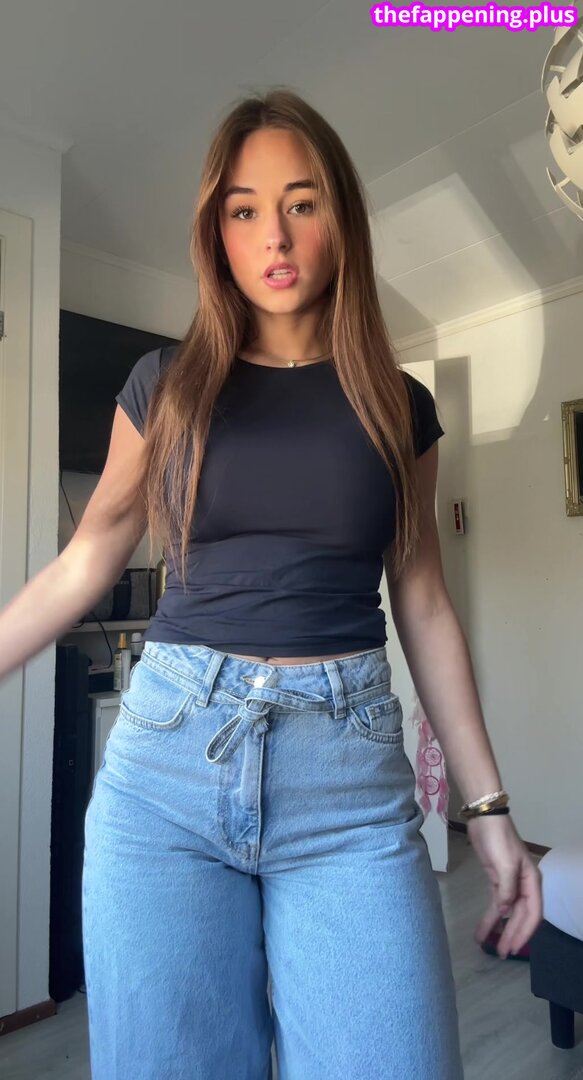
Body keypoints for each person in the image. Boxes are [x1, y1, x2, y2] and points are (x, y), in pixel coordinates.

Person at [0, 88, 542, 1079]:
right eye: (243, 209)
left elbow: (422, 601)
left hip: (349, 786)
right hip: (166, 773)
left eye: (301, 202)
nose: (274, 235)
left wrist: (489, 808)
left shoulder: (398, 406)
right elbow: (87, 558)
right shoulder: (165, 384)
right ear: (216, 231)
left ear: (341, 218)